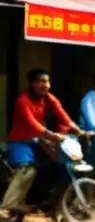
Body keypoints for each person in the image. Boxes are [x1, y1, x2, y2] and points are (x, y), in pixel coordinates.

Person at [1, 69, 81, 213]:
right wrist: (50, 133)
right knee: (27, 170)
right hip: (20, 141)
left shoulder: (48, 97)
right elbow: (31, 122)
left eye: (48, 81)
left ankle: (50, 201)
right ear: (32, 84)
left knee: (62, 163)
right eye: (42, 81)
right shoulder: (23, 100)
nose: (47, 85)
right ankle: (8, 205)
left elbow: (61, 112)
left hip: (38, 140)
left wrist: (77, 128)